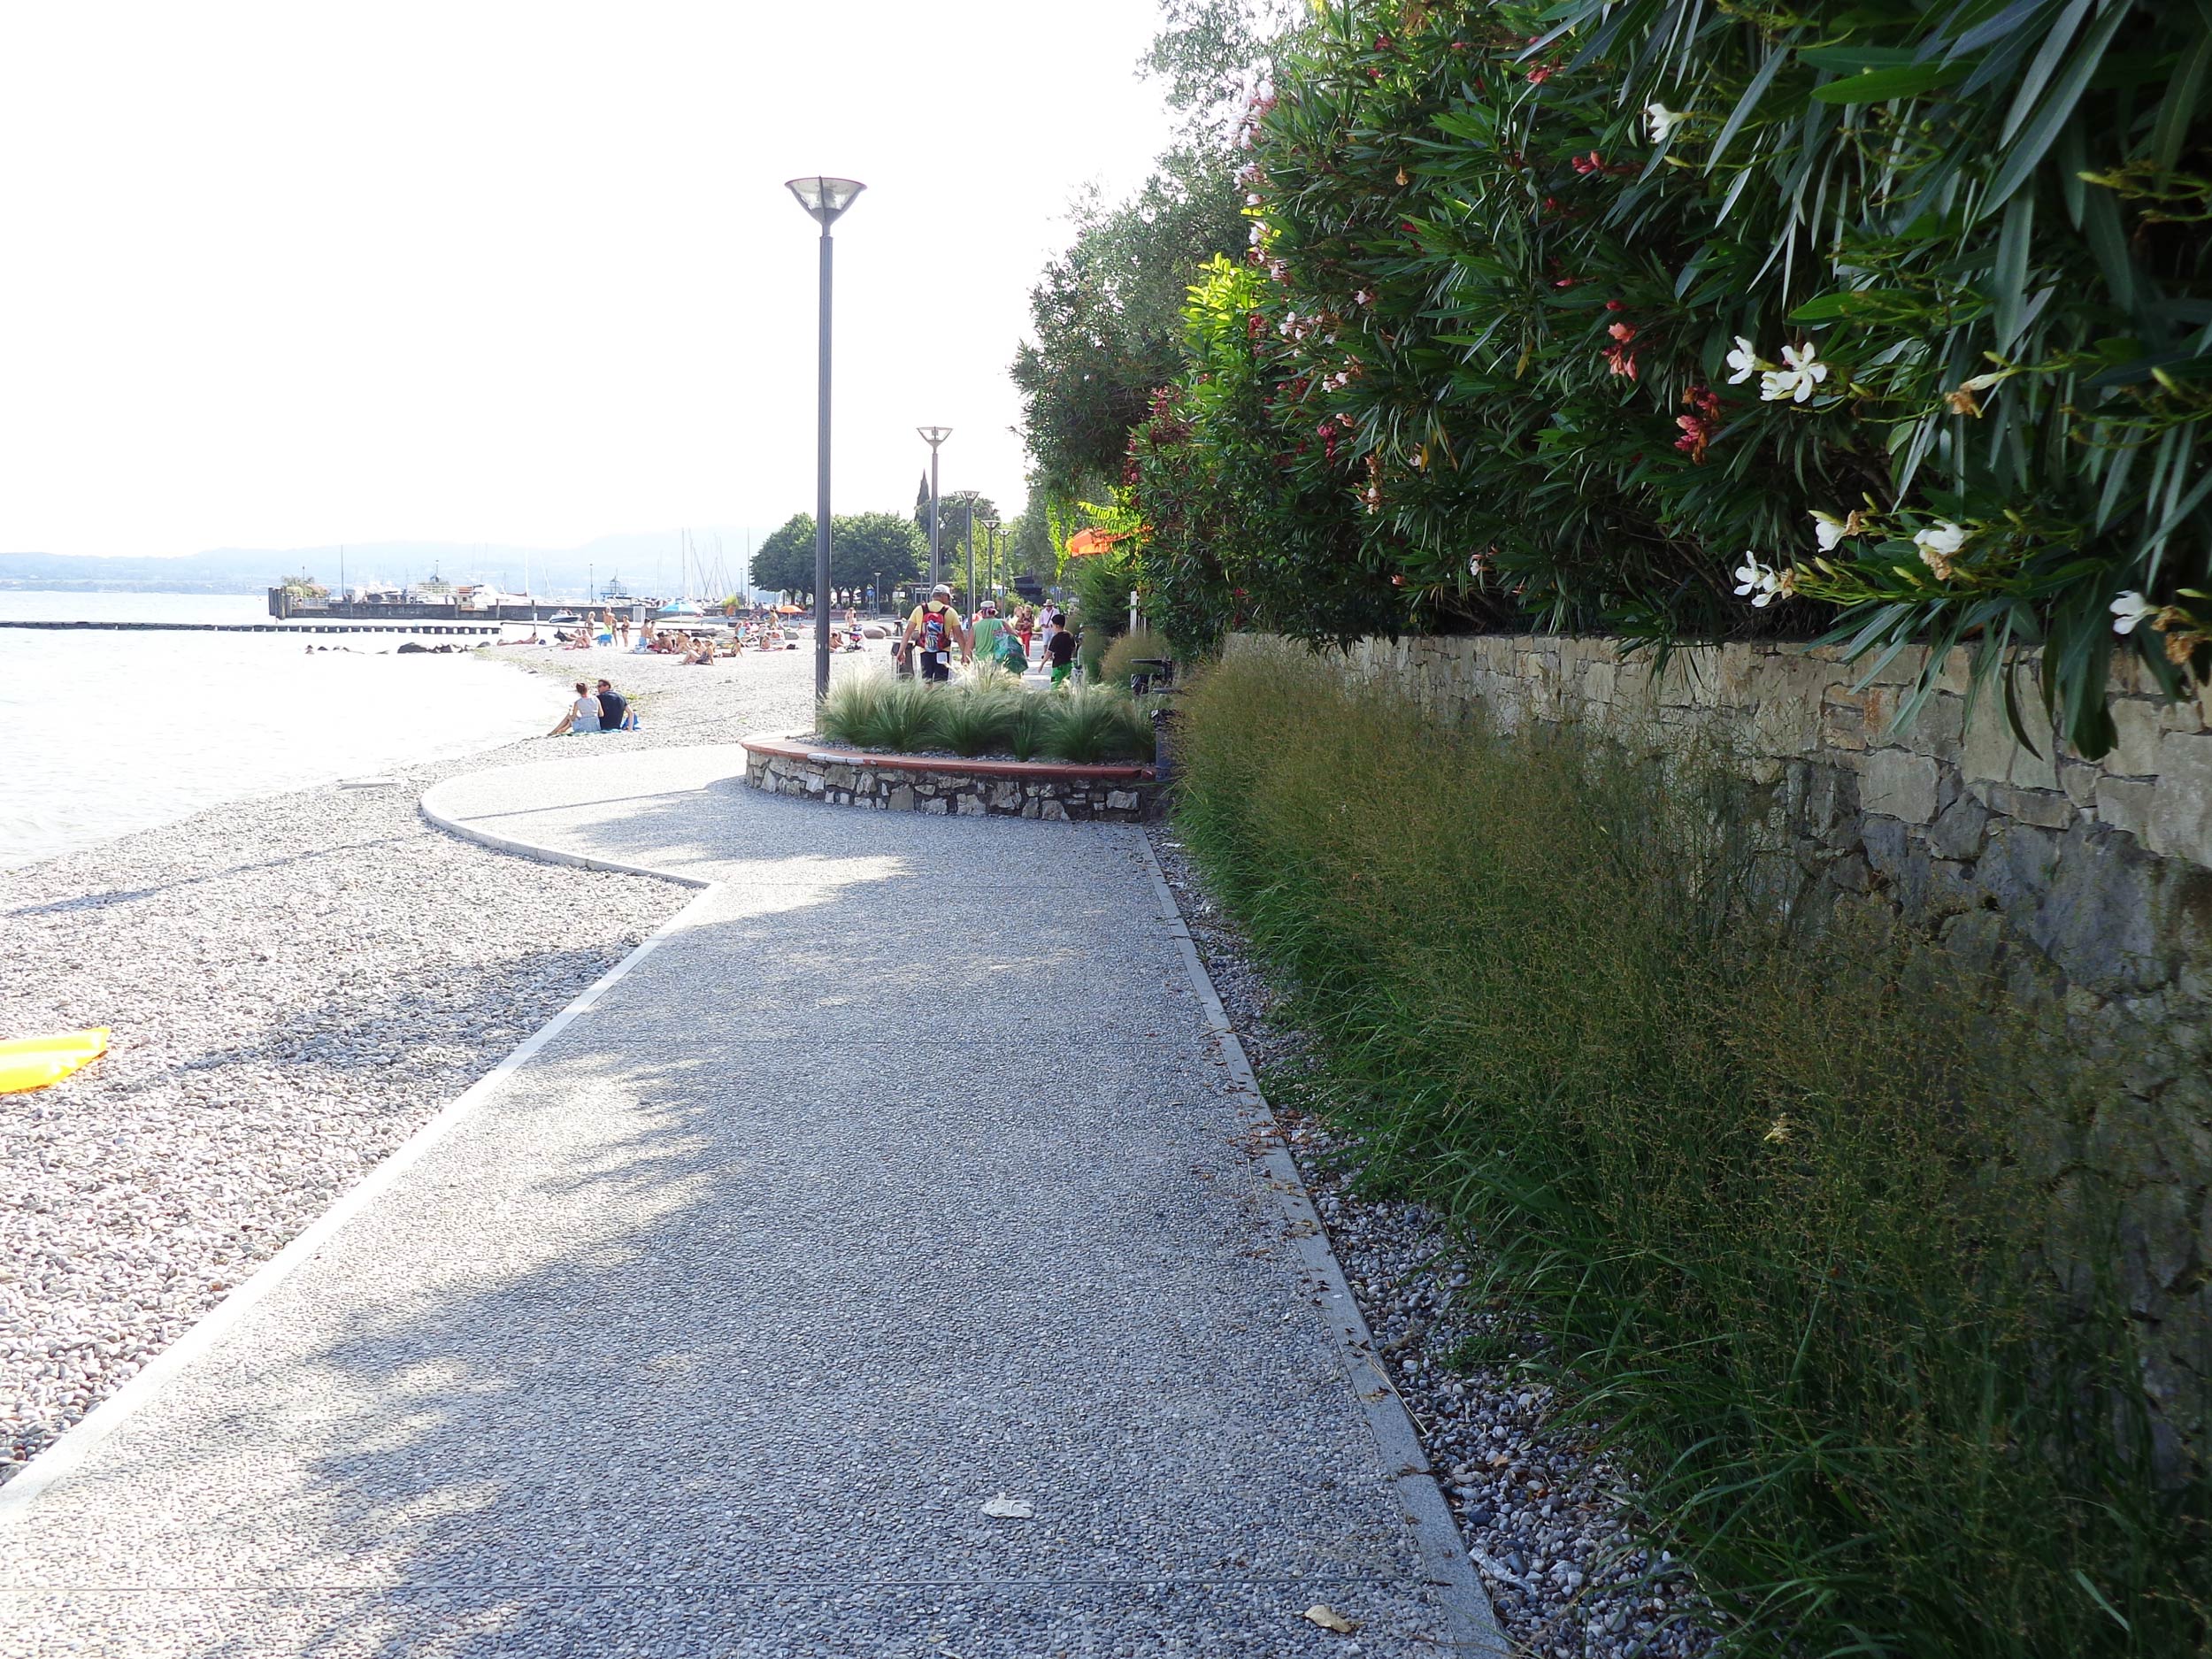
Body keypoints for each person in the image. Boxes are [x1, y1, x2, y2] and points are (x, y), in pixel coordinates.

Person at [904, 583, 965, 682]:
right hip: (943, 651)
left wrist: (901, 651)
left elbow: (907, 632)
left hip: (925, 650)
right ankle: (939, 698)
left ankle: (928, 698)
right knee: (940, 682)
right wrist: (965, 654)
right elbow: (959, 635)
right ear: (943, 596)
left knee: (927, 681)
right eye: (948, 597)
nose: (949, 600)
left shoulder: (919, 609)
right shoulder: (950, 612)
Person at [1046, 611, 1078, 687]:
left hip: (1058, 665)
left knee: (1056, 685)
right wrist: (1070, 654)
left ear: (1057, 626)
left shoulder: (1056, 638)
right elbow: (1074, 646)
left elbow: (1049, 652)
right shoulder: (1069, 635)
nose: (1052, 627)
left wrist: (1042, 664)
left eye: (1052, 625)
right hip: (1068, 663)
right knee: (1066, 684)